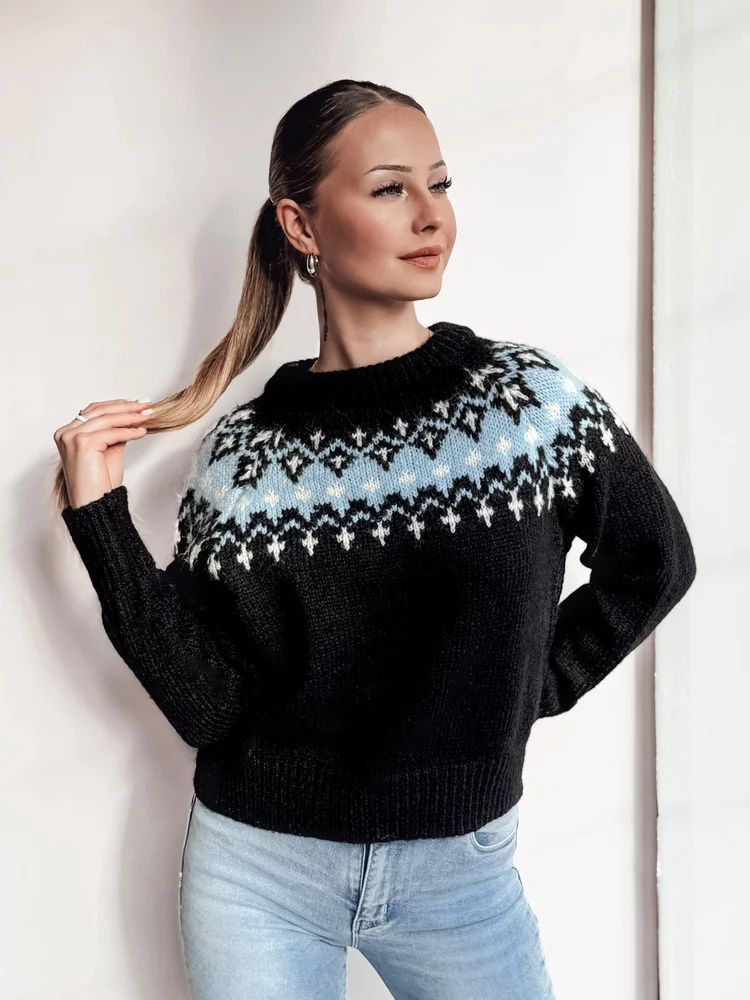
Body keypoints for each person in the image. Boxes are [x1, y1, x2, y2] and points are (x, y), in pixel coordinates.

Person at [52, 79, 697, 1000]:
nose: (432, 215)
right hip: (258, 876)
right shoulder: (244, 456)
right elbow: (209, 706)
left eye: (441, 184)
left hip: (461, 877)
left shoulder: (527, 405)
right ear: (301, 226)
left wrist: (529, 686)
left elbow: (655, 560)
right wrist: (101, 524)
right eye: (392, 188)